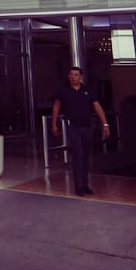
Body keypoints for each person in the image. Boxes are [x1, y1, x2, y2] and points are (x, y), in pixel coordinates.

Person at [51, 66, 111, 197]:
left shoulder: (87, 90)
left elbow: (97, 106)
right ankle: (78, 186)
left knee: (86, 156)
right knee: (78, 155)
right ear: (69, 76)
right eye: (71, 74)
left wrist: (105, 124)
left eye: (76, 75)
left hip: (88, 127)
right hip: (73, 127)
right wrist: (54, 124)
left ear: (81, 77)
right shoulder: (63, 90)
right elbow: (56, 106)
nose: (73, 77)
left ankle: (85, 184)